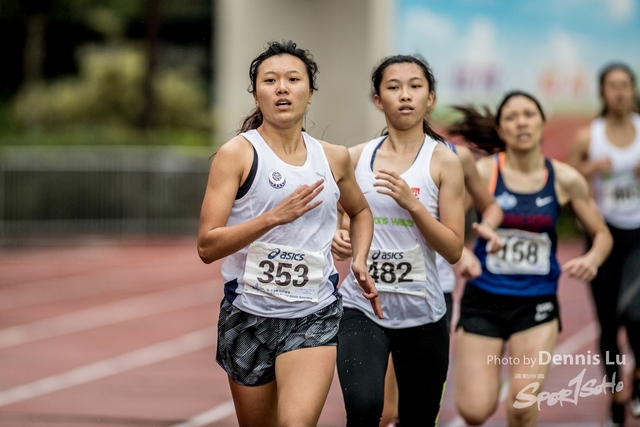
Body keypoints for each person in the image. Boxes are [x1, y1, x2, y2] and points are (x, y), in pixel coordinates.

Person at [197, 40, 382, 427]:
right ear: (256, 94)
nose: (282, 87)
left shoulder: (333, 157)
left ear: (309, 93)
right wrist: (273, 218)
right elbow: (207, 245)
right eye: (270, 80)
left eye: (293, 79)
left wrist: (360, 259)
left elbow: (361, 211)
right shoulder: (237, 154)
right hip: (247, 315)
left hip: (312, 313)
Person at [449, 91, 613, 427]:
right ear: (500, 128)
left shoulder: (565, 179)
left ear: (541, 123)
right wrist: (462, 254)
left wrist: (593, 259)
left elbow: (602, 233)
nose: (521, 122)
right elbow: (445, 227)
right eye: (511, 117)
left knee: (522, 407)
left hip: (536, 303)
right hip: (484, 299)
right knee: (474, 411)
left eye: (528, 114)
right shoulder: (482, 172)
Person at [331, 54, 465, 426]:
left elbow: (453, 249)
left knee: (418, 418)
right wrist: (339, 236)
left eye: (415, 86)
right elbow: (343, 218)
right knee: (364, 408)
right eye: (393, 87)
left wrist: (413, 204)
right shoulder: (356, 158)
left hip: (422, 312)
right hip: (360, 306)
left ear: (430, 98)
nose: (405, 95)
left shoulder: (444, 162)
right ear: (378, 100)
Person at [567, 62, 640, 427]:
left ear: (633, 89)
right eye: (613, 86)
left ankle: (637, 381)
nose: (620, 92)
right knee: (608, 324)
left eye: (625, 85)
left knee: (638, 317)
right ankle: (615, 396)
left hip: (639, 236)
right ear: (602, 92)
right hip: (602, 236)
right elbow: (566, 181)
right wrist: (591, 169)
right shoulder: (588, 137)